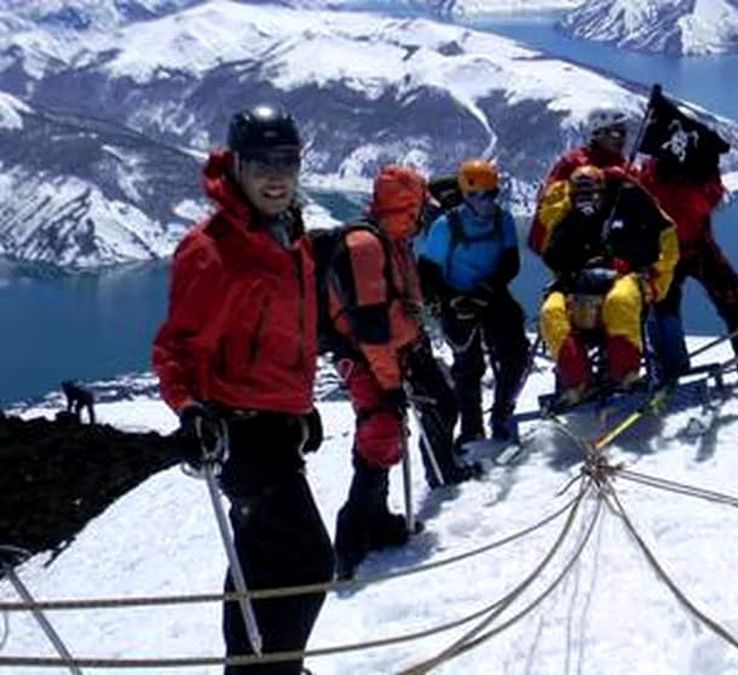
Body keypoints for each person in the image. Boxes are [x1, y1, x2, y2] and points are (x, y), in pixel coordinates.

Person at [151, 104, 332, 673]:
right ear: (235, 168)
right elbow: (176, 347)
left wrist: (300, 409)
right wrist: (190, 410)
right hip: (239, 430)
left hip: (278, 425)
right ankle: (272, 668)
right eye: (260, 163)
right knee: (307, 560)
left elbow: (285, 337)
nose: (275, 175)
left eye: (287, 161)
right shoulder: (212, 249)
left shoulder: (290, 237)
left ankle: (257, 665)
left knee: (261, 561)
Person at [319, 165, 481, 581]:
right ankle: (351, 543)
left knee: (397, 427)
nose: (421, 220)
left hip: (393, 352)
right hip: (367, 357)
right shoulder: (366, 246)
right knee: (379, 433)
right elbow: (372, 329)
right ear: (406, 206)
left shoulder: (390, 240)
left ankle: (377, 519)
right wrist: (390, 385)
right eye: (417, 210)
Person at [534, 165, 678, 400]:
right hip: (579, 284)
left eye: (591, 195)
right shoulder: (568, 221)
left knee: (619, 301)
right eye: (579, 196)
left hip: (625, 278)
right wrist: (578, 258)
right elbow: (553, 256)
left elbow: (652, 248)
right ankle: (577, 382)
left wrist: (620, 258)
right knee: (551, 311)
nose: (586, 202)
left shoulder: (624, 213)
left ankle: (626, 374)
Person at [633, 155, 738, 378]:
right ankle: (672, 366)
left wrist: (695, 175)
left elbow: (712, 200)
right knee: (664, 309)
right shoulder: (647, 174)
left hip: (696, 247)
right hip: (668, 251)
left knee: (733, 296)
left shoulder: (696, 167)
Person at [418, 159, 530, 446]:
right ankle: (472, 431)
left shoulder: (502, 219)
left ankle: (502, 415)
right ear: (466, 195)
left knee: (516, 354)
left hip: (490, 294)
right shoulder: (446, 226)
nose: (486, 202)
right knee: (468, 366)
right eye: (478, 195)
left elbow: (510, 262)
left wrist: (487, 289)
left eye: (491, 194)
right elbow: (428, 273)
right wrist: (452, 300)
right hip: (455, 296)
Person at [528, 108, 632, 253]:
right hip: (573, 245)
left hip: (612, 246)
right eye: (616, 132)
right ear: (598, 133)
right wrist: (600, 178)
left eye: (624, 133)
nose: (621, 138)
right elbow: (549, 201)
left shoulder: (625, 167)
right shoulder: (573, 162)